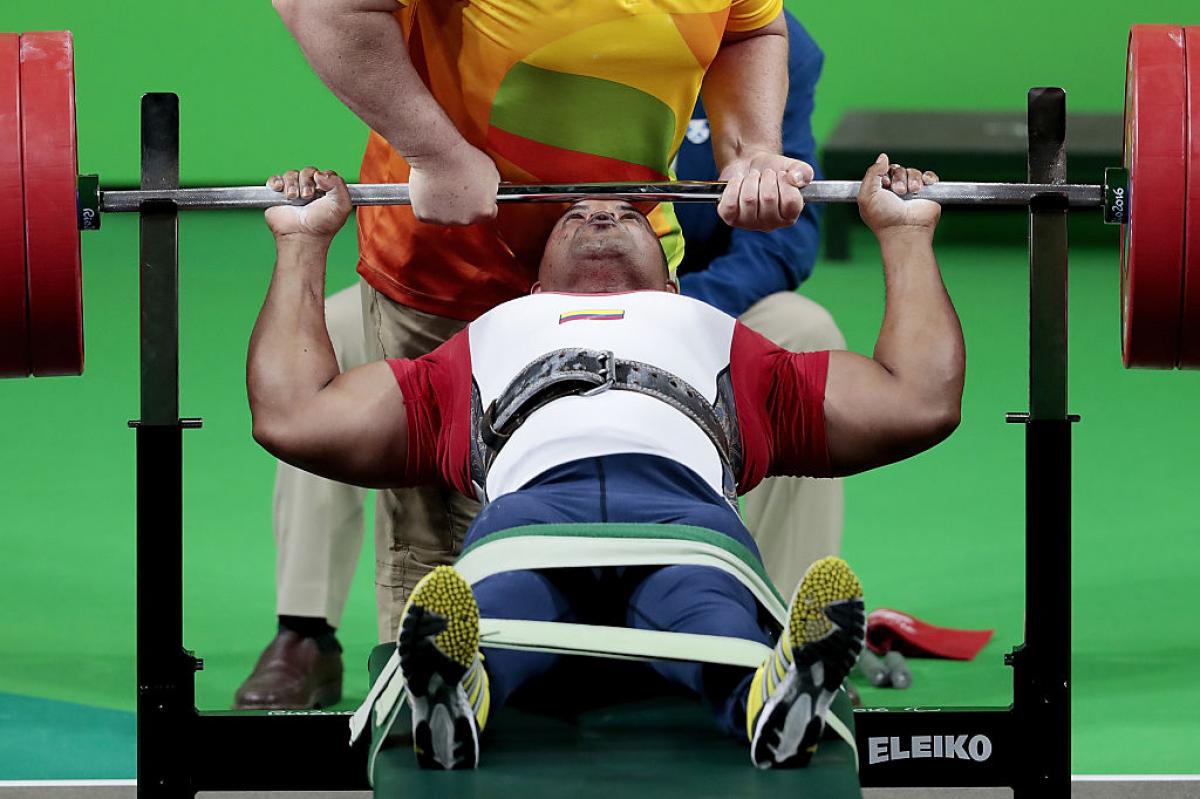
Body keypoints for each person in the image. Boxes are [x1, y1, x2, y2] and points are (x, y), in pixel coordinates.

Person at [245, 154, 962, 768]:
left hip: (686, 527)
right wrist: (301, 246)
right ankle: (456, 693)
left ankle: (771, 698)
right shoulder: (482, 345)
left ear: (673, 282)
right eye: (573, 215)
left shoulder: (726, 340)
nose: (598, 213)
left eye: (626, 213)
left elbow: (919, 399)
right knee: (488, 617)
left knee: (714, 620)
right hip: (529, 526)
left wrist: (906, 236)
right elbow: (294, 413)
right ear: (531, 290)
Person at [234, 8, 838, 707]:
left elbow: (753, 47)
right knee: (443, 551)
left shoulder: (775, 42)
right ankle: (379, 678)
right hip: (452, 271)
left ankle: (775, 660)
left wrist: (666, 317)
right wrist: (430, 151)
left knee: (682, 534)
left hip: (658, 283)